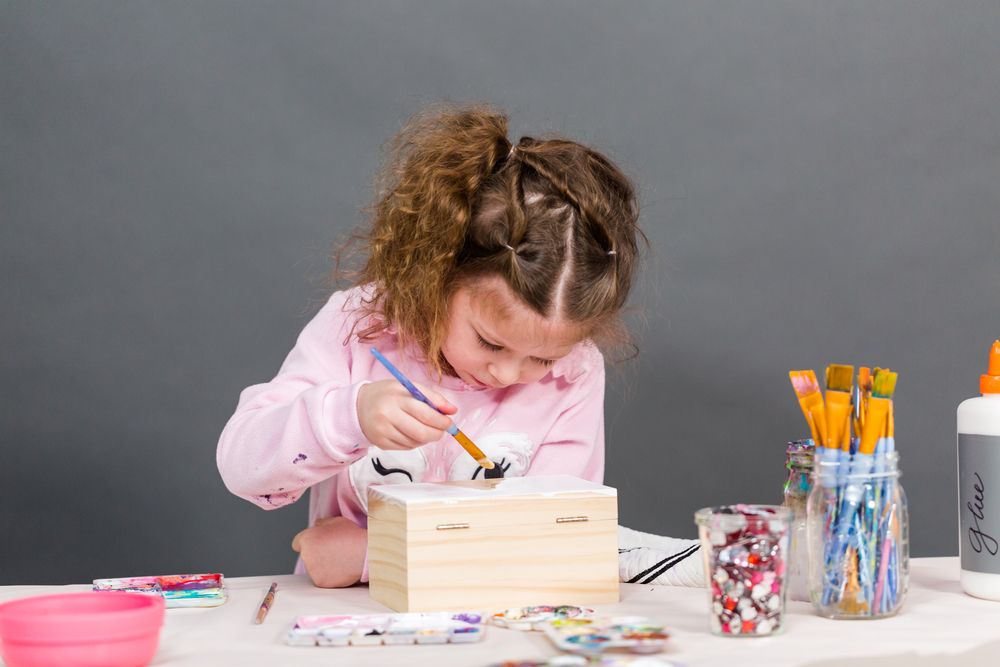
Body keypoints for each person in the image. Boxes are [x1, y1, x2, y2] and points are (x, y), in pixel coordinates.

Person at [217, 104, 700, 589]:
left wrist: (371, 556)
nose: (509, 374)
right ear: (437, 274)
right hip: (353, 624)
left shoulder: (573, 372)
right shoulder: (362, 325)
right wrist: (350, 415)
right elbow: (242, 468)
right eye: (490, 342)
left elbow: (555, 543)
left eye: (542, 357)